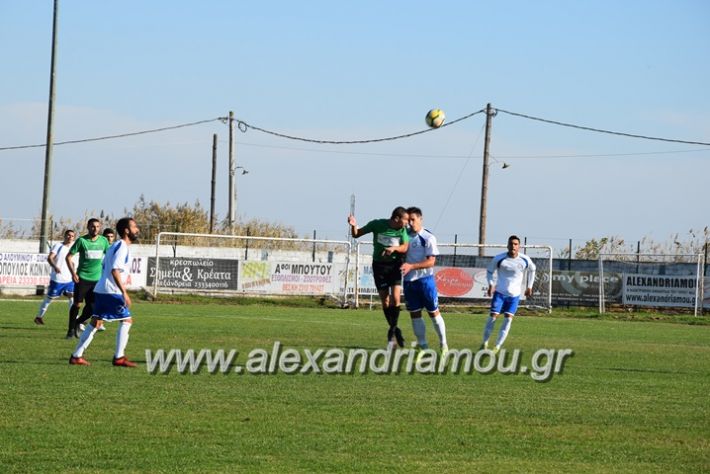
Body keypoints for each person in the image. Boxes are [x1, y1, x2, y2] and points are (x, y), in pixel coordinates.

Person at [70, 217, 140, 367]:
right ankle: (119, 357)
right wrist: (124, 293)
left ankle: (76, 356)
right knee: (127, 320)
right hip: (111, 291)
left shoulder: (114, 245)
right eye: (134, 227)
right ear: (126, 231)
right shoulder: (121, 246)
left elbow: (104, 265)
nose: (137, 230)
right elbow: (115, 270)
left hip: (101, 289)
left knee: (96, 322)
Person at [348, 207, 409, 349]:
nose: (407, 222)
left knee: (396, 298)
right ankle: (395, 329)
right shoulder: (377, 224)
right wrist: (353, 226)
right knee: (385, 301)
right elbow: (357, 234)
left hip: (394, 266)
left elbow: (405, 247)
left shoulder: (402, 230)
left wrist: (393, 249)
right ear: (397, 219)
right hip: (379, 267)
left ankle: (392, 331)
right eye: (405, 220)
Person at [400, 207, 448, 353]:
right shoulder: (405, 236)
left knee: (433, 313)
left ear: (421, 219)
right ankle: (424, 347)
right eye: (408, 220)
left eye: (413, 220)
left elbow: (431, 262)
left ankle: (443, 344)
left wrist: (411, 266)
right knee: (414, 314)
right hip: (409, 282)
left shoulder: (428, 238)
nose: (410, 223)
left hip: (425, 281)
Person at [481, 235, 536, 353]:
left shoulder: (525, 259)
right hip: (500, 294)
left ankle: (497, 346)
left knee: (508, 320)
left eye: (515, 244)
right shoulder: (499, 258)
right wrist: (491, 284)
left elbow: (533, 269)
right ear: (507, 245)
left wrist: (529, 286)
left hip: (514, 296)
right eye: (511, 244)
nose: (513, 246)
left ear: (519, 246)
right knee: (492, 318)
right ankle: (485, 342)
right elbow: (490, 271)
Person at [65, 218, 110, 338]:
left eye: (97, 226)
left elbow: (109, 257)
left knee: (92, 307)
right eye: (92, 226)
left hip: (97, 280)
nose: (95, 229)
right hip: (82, 279)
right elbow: (68, 257)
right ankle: (70, 331)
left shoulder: (103, 241)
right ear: (88, 227)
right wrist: (73, 273)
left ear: (100, 228)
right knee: (77, 304)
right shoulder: (81, 241)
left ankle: (78, 322)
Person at [34, 229, 76, 325]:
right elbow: (50, 258)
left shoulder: (73, 247)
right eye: (68, 235)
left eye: (72, 236)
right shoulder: (58, 246)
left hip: (69, 278)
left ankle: (75, 318)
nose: (70, 237)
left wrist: (74, 270)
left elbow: (71, 260)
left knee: (72, 297)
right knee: (49, 298)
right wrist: (55, 267)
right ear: (65, 236)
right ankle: (39, 317)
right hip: (58, 278)